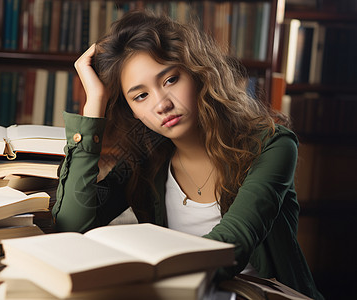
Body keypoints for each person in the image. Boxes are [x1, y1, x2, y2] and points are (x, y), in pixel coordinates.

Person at [51, 10, 323, 300]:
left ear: (197, 73)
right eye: (140, 96)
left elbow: (230, 244)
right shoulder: (146, 159)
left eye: (170, 80)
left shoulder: (273, 146)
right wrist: (94, 103)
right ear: (131, 109)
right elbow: (72, 226)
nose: (161, 104)